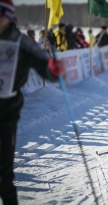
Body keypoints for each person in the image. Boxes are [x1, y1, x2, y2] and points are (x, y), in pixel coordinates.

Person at [0, 1, 66, 204]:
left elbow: (44, 67)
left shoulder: (20, 42)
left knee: (3, 176)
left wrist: (52, 70)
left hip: (5, 112)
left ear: (8, 16)